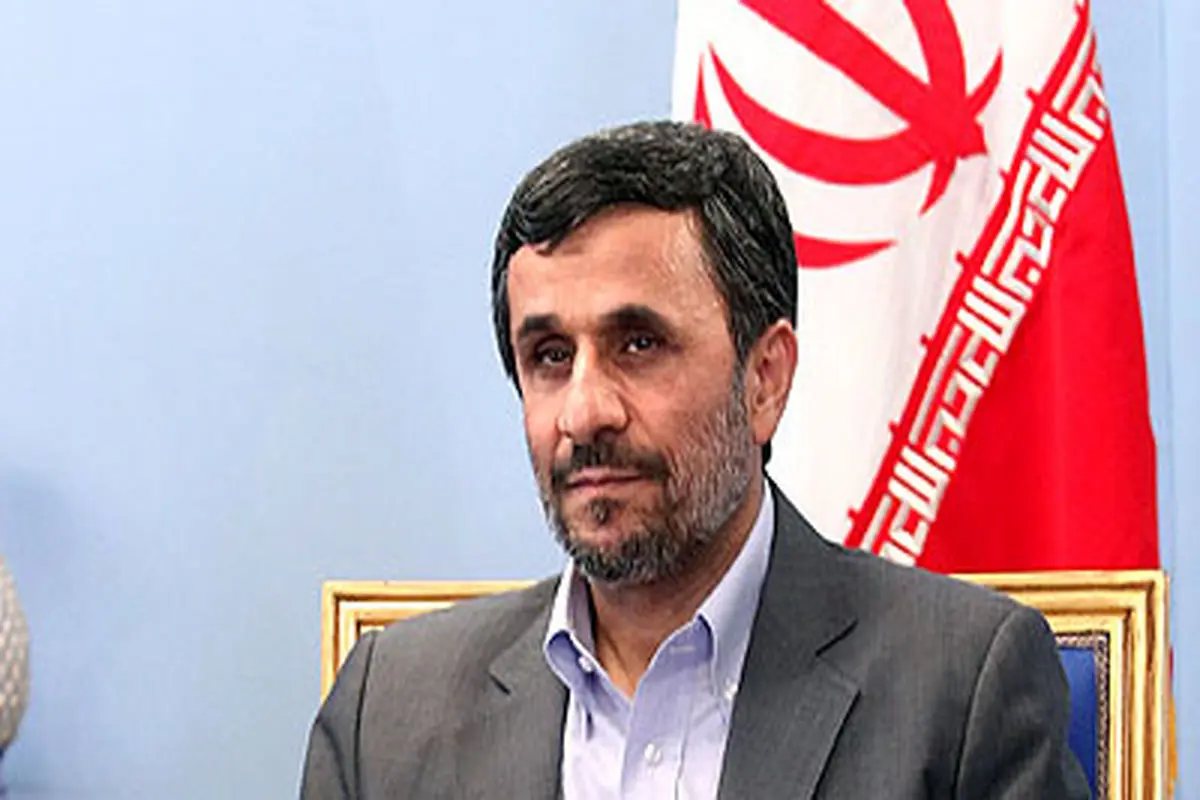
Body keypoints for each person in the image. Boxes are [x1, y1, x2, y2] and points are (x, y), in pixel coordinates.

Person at [300, 121, 1089, 799]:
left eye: (638, 344)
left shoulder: (959, 692)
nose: (584, 411)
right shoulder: (388, 711)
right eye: (549, 356)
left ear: (765, 379)